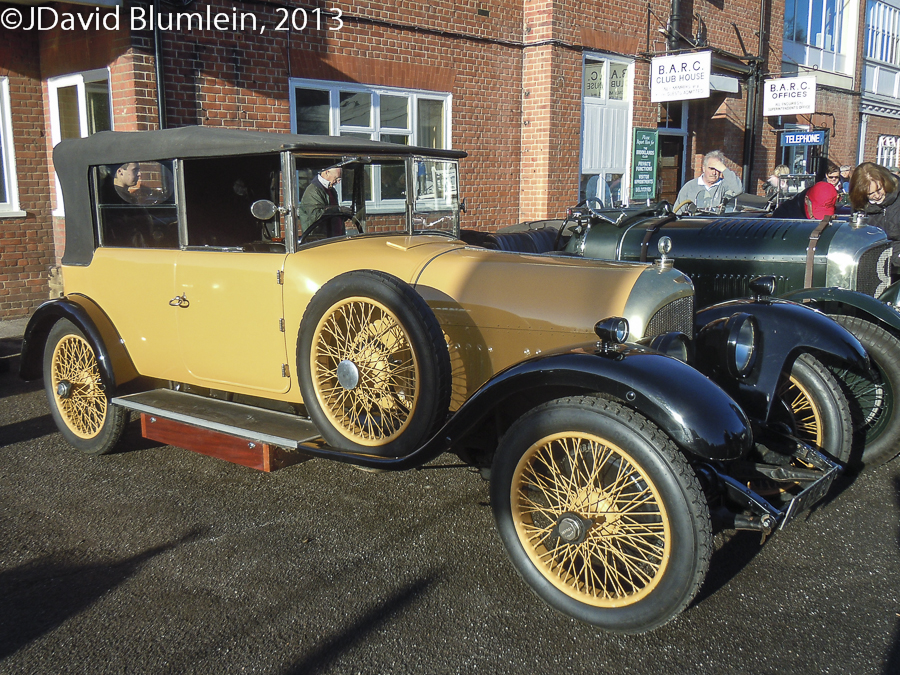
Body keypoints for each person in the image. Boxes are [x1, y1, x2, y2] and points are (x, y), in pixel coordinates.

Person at [849, 162, 900, 249]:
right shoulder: (859, 205)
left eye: (879, 189)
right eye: (871, 193)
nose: (877, 195)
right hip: (872, 255)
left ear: (885, 182)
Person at [674, 150, 743, 213]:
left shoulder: (725, 186)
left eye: (717, 169)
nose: (714, 173)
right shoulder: (689, 187)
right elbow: (677, 212)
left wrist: (724, 169)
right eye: (711, 168)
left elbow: (738, 190)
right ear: (704, 168)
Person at [772, 158, 840, 219]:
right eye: (831, 177)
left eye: (836, 177)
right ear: (806, 200)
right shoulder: (785, 217)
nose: (834, 179)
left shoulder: (832, 190)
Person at [299, 166, 343, 235]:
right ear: (327, 173)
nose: (338, 182)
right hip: (319, 240)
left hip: (334, 238)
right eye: (336, 178)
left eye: (340, 179)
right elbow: (317, 217)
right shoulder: (313, 191)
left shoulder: (331, 190)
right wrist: (338, 210)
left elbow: (334, 217)